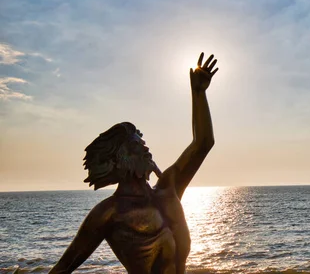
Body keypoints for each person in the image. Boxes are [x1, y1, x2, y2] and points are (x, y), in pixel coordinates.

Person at [50, 53, 219, 274]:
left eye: (143, 143)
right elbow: (63, 268)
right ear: (116, 160)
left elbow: (203, 143)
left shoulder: (169, 189)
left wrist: (198, 93)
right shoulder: (109, 213)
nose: (145, 149)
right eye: (134, 146)